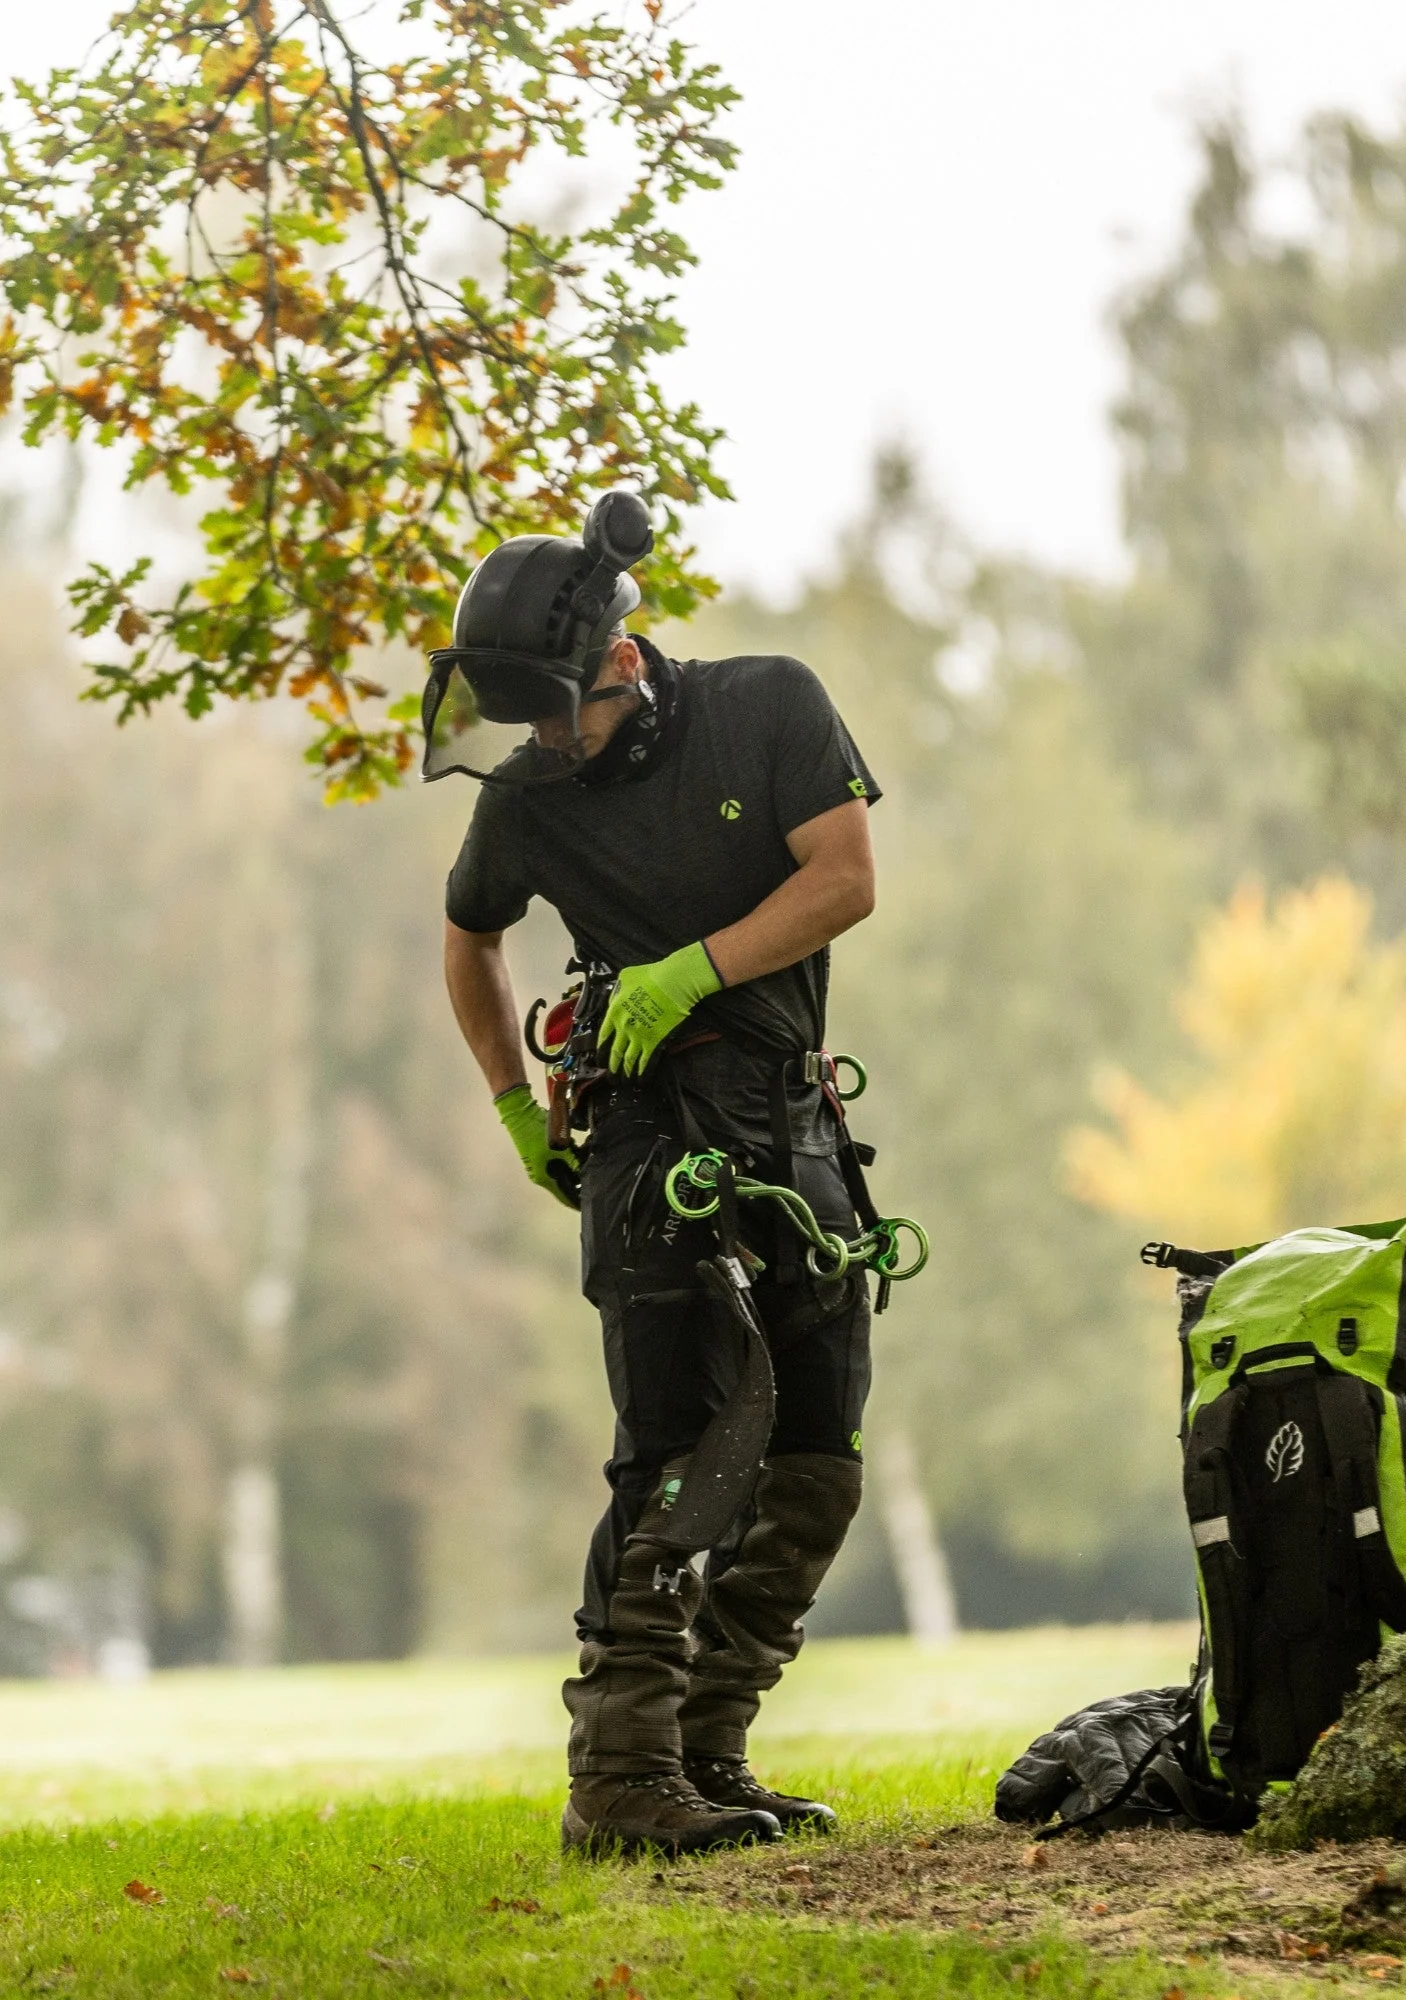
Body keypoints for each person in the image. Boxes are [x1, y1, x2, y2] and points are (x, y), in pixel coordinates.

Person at [429, 494, 884, 1857]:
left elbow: (846, 878)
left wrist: (697, 967)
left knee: (814, 1459)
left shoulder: (769, 708)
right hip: (645, 1150)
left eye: (555, 712)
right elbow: (470, 942)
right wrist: (517, 1104)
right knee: (683, 1451)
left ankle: (704, 1746)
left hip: (793, 1131)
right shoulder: (526, 801)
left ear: (622, 662)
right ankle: (618, 1778)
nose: (539, 742)